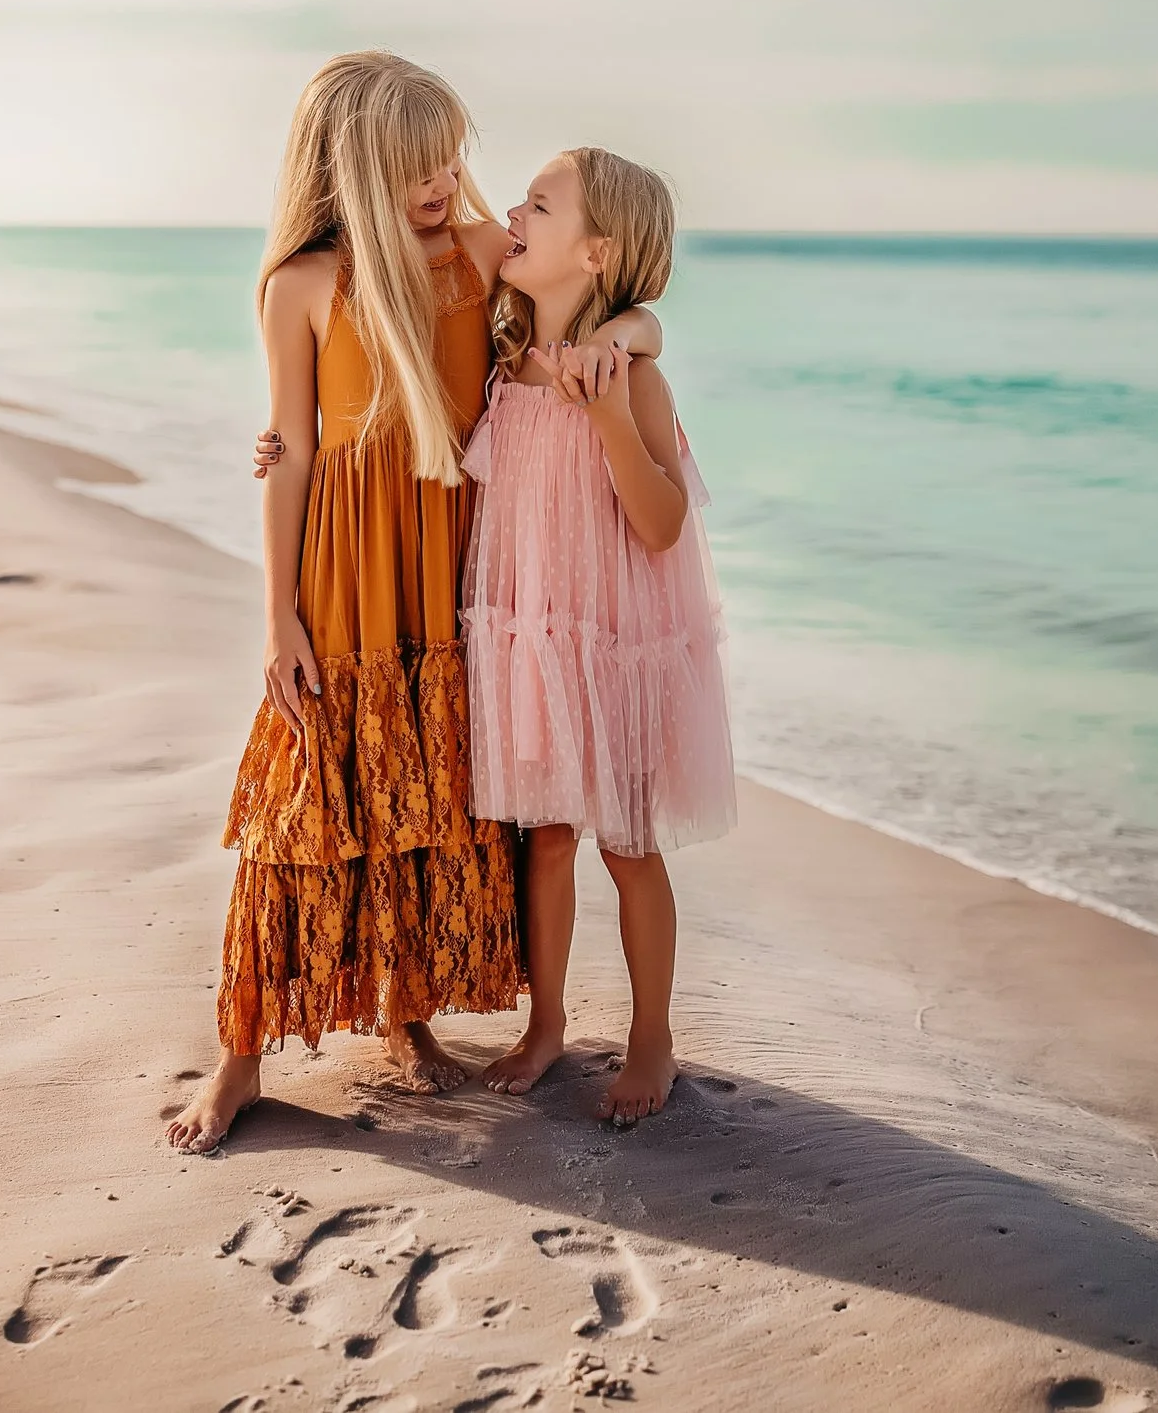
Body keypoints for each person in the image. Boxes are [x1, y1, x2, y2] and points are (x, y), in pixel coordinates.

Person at [169, 57, 656, 1153]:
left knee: (428, 786)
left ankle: (408, 1017)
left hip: (456, 556)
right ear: (349, 167)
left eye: (448, 154)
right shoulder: (298, 282)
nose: (441, 180)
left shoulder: (484, 254)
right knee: (307, 790)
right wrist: (275, 617)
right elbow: (290, 446)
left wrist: (626, 343)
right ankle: (240, 1054)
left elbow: (623, 307)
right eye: (412, 165)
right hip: (342, 562)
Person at [464, 147, 736, 1125]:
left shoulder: (632, 374)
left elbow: (662, 522)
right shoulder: (502, 364)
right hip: (532, 633)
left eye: (539, 204)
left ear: (596, 252)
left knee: (625, 841)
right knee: (543, 837)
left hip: (612, 640)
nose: (511, 212)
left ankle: (651, 1035)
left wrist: (615, 411)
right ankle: (545, 1023)